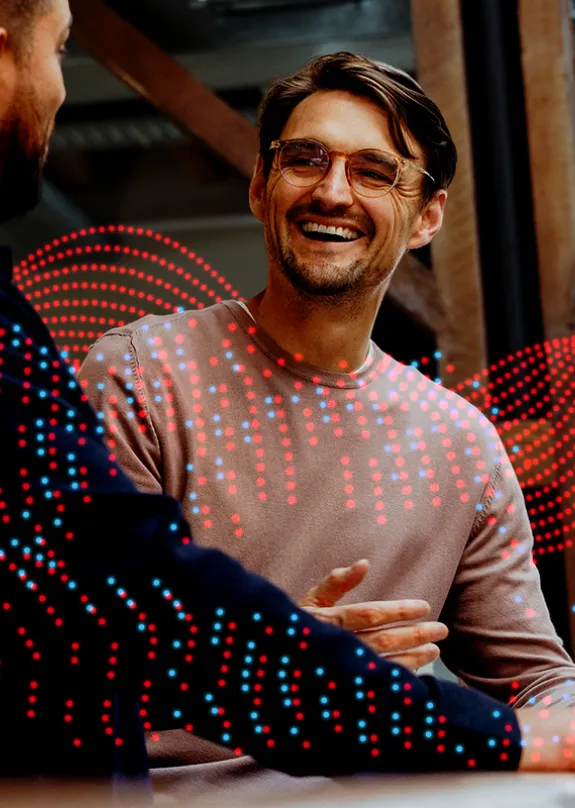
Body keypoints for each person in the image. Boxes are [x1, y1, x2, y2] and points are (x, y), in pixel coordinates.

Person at [1, 0, 574, 799]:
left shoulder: (461, 443)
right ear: (260, 186)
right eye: (304, 159)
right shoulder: (137, 371)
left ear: (426, 217)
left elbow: (536, 681)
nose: (332, 191)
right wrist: (295, 657)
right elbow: (75, 640)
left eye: (374, 171)